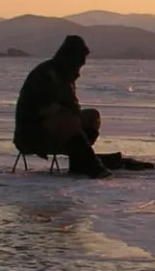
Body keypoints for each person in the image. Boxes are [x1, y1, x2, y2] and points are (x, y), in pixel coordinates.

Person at [13, 35, 109, 177]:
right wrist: (70, 116)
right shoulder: (45, 74)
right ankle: (90, 164)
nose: (79, 67)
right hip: (32, 133)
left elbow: (73, 107)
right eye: (78, 63)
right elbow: (41, 108)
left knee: (91, 116)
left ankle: (80, 161)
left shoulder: (66, 78)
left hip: (60, 130)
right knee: (66, 120)